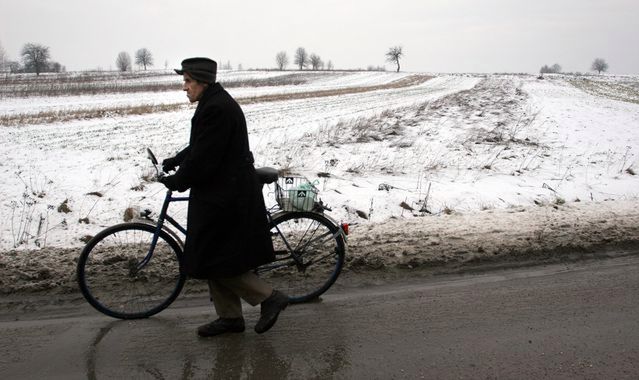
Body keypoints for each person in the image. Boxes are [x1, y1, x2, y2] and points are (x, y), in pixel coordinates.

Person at [159, 57, 289, 337]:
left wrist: (178, 181)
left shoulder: (216, 108)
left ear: (202, 82)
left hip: (227, 197)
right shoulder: (213, 103)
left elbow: (205, 159)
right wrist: (177, 159)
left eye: (188, 81)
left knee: (216, 258)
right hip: (219, 193)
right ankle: (230, 318)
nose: (184, 88)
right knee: (212, 256)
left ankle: (269, 297)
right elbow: (201, 145)